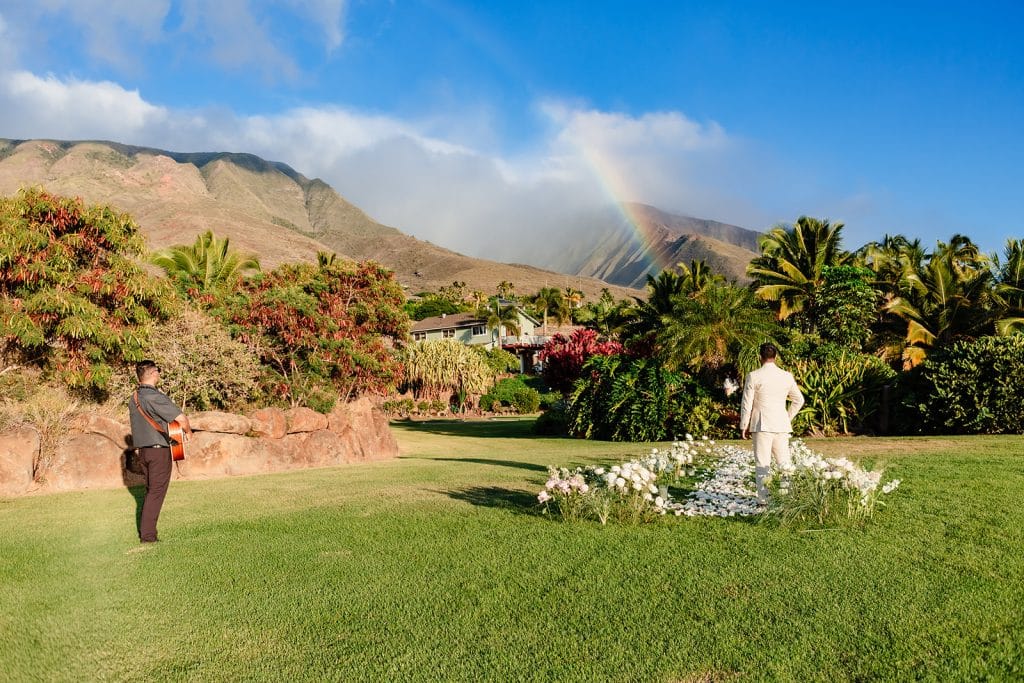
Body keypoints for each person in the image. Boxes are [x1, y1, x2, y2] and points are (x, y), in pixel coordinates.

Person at [127, 360, 192, 543]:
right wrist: (188, 433)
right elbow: (181, 419)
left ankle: (146, 532)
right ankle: (148, 536)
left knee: (151, 491)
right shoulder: (155, 397)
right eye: (158, 372)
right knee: (156, 492)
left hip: (143, 452)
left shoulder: (134, 398)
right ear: (154, 373)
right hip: (158, 452)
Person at [739, 343, 805, 504]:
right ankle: (786, 496)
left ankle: (764, 499)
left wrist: (743, 425)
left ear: (760, 357)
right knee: (784, 462)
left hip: (761, 425)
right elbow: (799, 400)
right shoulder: (786, 376)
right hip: (781, 425)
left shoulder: (754, 376)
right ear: (775, 357)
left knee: (763, 462)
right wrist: (787, 417)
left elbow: (747, 403)